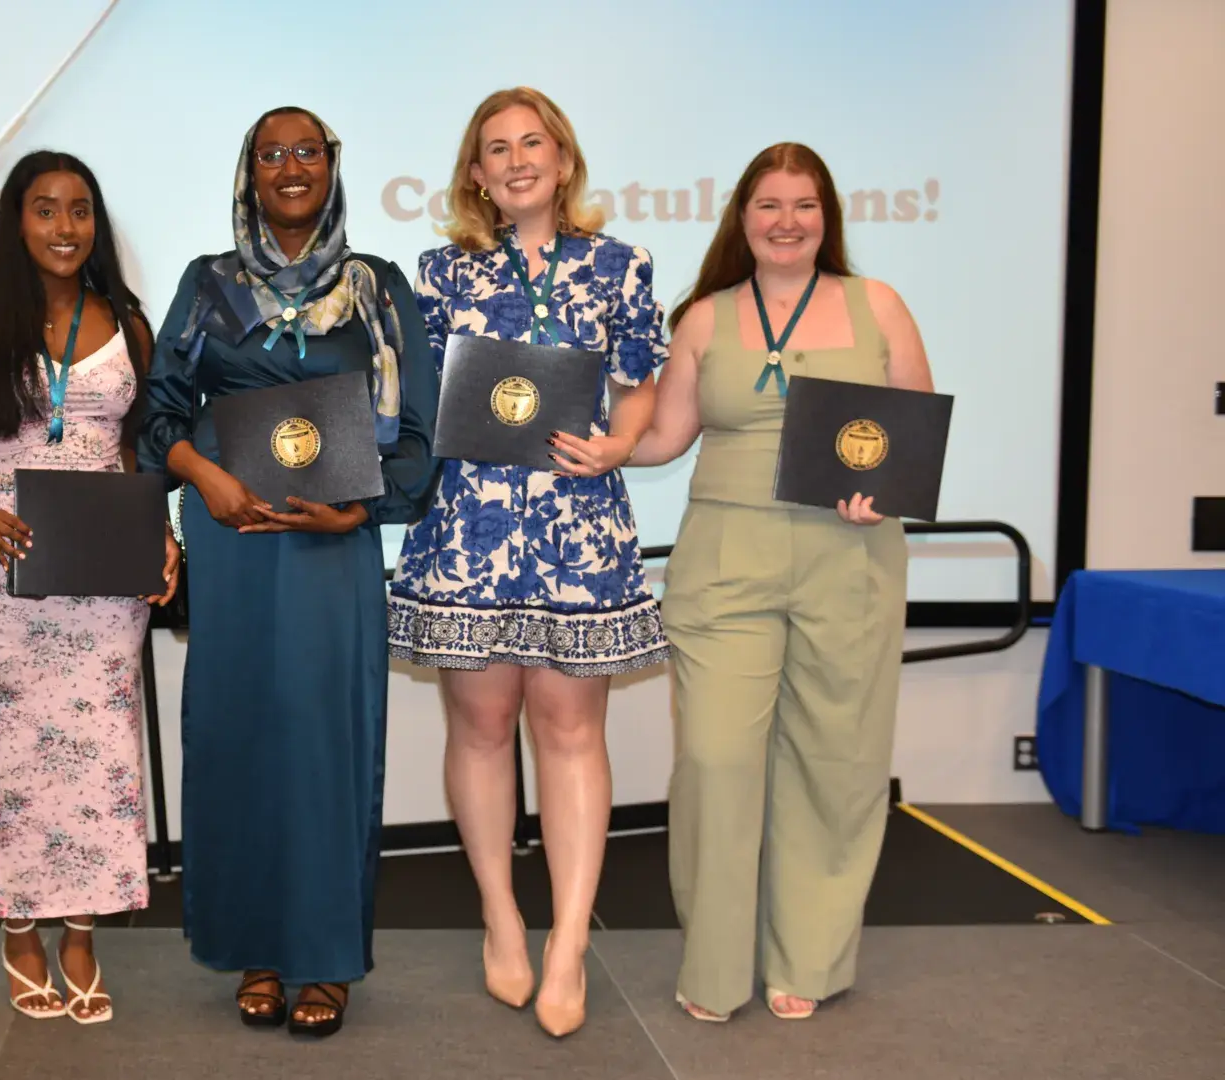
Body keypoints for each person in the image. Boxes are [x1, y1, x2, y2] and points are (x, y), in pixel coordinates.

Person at [137, 105, 439, 1038]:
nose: (291, 166)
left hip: (331, 545)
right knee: (238, 738)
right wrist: (206, 480)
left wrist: (359, 510)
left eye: (308, 150)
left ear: (332, 167)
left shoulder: (378, 288)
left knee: (323, 745)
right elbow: (158, 413)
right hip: (231, 539)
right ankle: (255, 949)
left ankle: (324, 955)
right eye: (272, 153)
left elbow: (420, 434)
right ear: (250, 174)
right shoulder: (209, 285)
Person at [385, 86, 669, 1039]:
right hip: (467, 530)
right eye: (497, 148)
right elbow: (414, 401)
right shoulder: (438, 273)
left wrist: (620, 442)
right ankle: (502, 917)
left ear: (563, 157)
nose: (516, 161)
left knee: (572, 732)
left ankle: (569, 943)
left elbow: (638, 385)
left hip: (579, 530)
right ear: (476, 174)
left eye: (532, 142)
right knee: (480, 726)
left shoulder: (621, 265)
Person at [628, 142, 933, 1022]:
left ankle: (809, 957)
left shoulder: (880, 306)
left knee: (837, 760)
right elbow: (663, 438)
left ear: (827, 217)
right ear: (743, 216)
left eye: (804, 205)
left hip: (851, 560)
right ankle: (716, 967)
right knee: (715, 759)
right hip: (726, 561)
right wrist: (587, 434)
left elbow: (915, 434)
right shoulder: (704, 318)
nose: (787, 221)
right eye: (769, 204)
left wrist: (889, 491)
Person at [0, 150, 178, 1026]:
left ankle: (80, 932)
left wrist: (161, 534)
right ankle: (17, 928)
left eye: (80, 210)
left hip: (104, 572)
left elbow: (140, 448)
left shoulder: (130, 323)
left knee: (100, 754)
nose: (65, 227)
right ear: (17, 221)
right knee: (6, 755)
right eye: (45, 209)